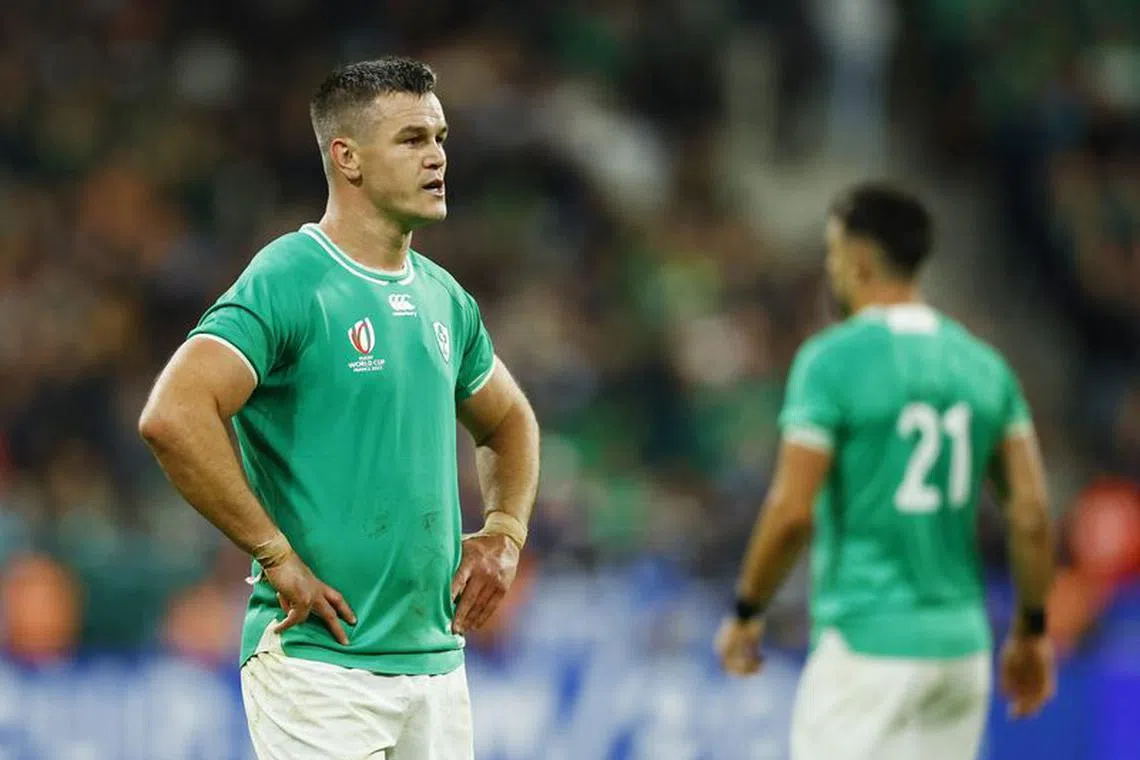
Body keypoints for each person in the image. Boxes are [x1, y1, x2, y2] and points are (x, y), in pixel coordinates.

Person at [139, 57, 540, 760]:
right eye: (412, 140)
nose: (438, 156)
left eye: (440, 137)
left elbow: (510, 423)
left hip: (437, 669)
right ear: (346, 158)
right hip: (320, 667)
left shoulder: (445, 297)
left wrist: (504, 532)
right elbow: (174, 414)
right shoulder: (291, 278)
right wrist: (273, 553)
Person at [715, 183, 1056, 760]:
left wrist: (748, 611)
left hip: (866, 646)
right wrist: (1031, 630)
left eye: (832, 254)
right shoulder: (984, 366)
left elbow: (791, 513)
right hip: (959, 650)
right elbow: (1030, 513)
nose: (831, 269)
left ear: (859, 260)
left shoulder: (830, 361)